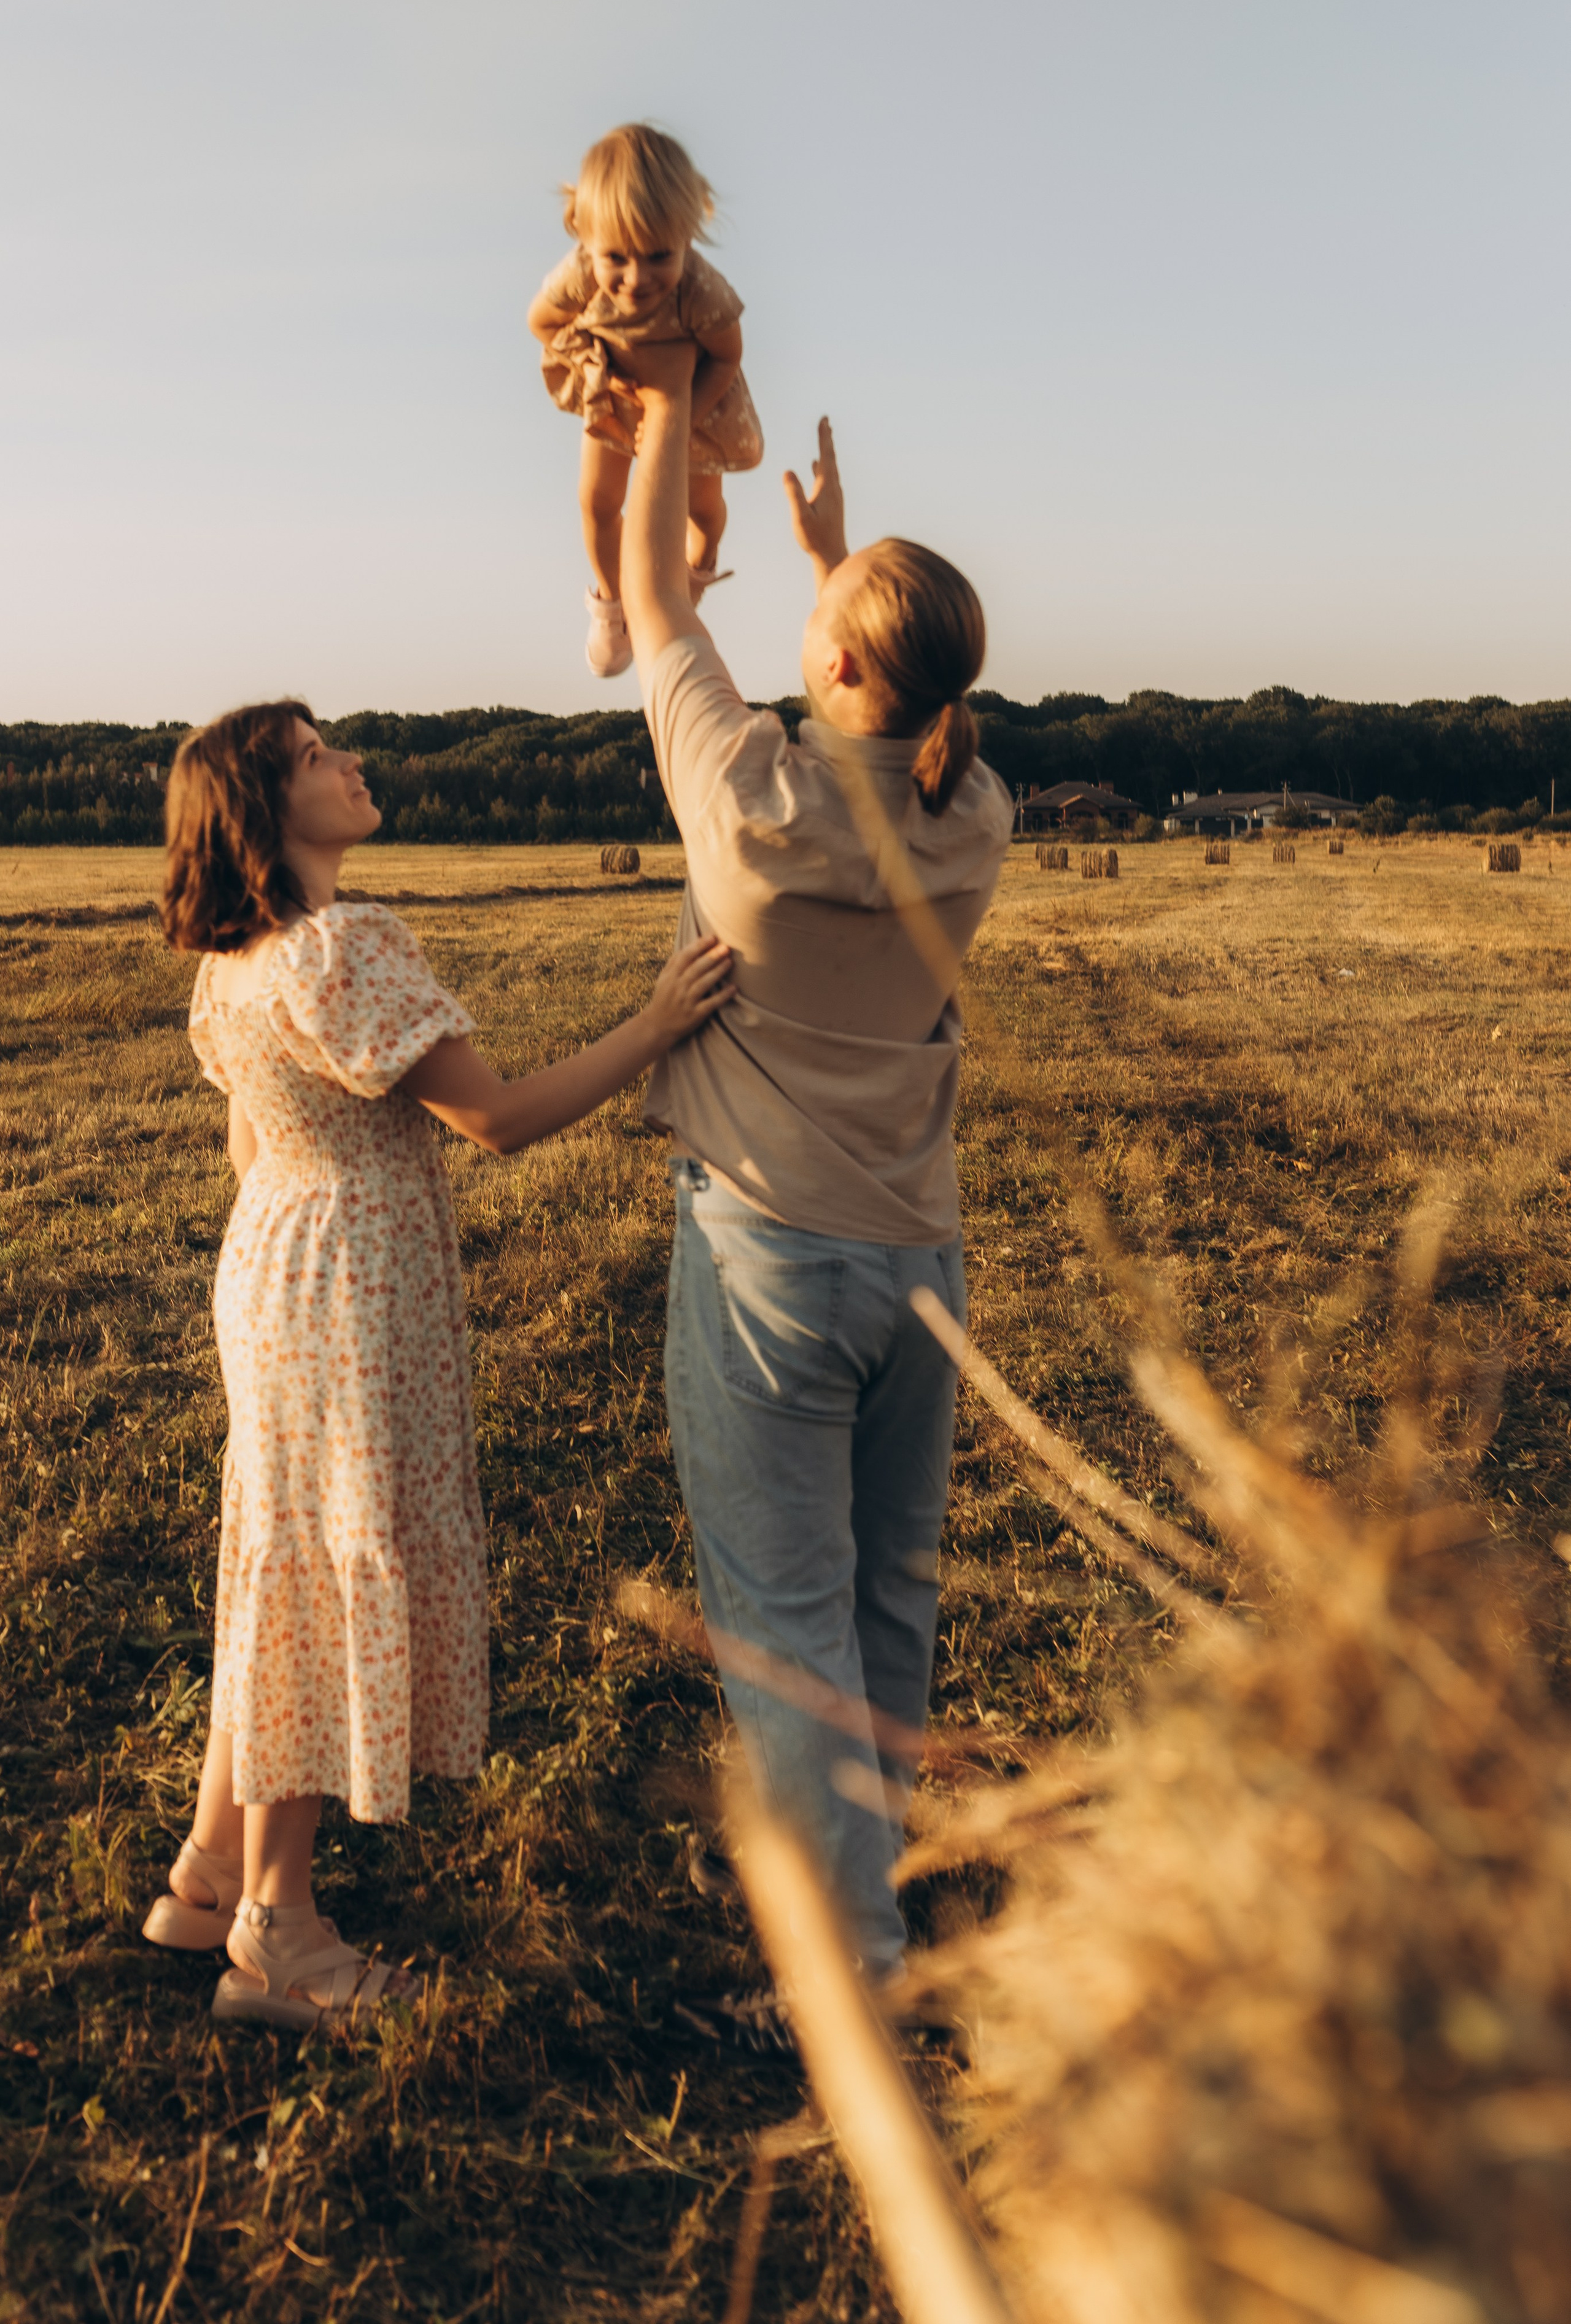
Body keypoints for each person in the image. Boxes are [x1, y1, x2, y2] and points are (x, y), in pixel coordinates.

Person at [144, 702, 732, 2028]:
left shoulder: (238, 960)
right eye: (312, 757)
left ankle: (205, 1870)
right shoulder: (346, 943)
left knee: (279, 1554)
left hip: (271, 1263)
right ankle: (278, 1935)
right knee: (321, 1571)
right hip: (351, 1280)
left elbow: (251, 1150)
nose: (351, 764)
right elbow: (498, 1118)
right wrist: (655, 1024)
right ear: (263, 808)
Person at [615, 340, 1014, 2018]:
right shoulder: (973, 812)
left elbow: (648, 594)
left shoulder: (754, 805)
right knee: (887, 1597)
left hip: (772, 1262)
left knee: (785, 1623)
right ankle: (879, 1912)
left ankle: (844, 1975)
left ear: (839, 657)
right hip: (920, 1264)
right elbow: (907, 709)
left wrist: (654, 397)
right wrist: (834, 561)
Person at [527, 123, 762, 680]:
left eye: (659, 256)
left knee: (701, 508)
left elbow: (727, 357)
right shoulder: (581, 275)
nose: (636, 279)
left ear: (690, 233)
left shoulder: (701, 290)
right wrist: (596, 366)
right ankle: (612, 605)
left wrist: (683, 423)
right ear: (583, 235)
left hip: (695, 408)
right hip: (613, 395)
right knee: (597, 503)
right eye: (617, 258)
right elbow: (542, 322)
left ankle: (697, 568)